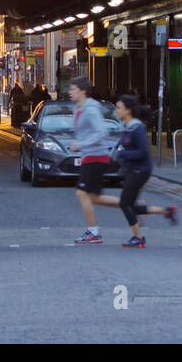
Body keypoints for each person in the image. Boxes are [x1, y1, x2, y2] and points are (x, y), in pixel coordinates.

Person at [85, 95, 179, 246]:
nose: (116, 110)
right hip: (133, 170)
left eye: (118, 107)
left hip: (140, 171)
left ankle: (139, 238)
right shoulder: (127, 127)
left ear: (127, 110)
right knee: (132, 206)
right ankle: (167, 211)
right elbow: (121, 148)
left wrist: (122, 154)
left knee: (124, 204)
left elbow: (143, 152)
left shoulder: (136, 128)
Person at [67, 77, 111, 244]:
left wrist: (81, 144)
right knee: (94, 197)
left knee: (82, 193)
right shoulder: (79, 107)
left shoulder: (90, 109)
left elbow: (101, 132)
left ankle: (93, 232)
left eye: (73, 89)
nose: (70, 92)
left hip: (95, 155)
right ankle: (131, 206)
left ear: (83, 91)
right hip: (89, 155)